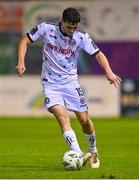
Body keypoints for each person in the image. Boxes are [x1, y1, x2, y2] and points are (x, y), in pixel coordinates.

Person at [16, 7, 122, 168]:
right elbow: (24, 41)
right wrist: (21, 62)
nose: (72, 30)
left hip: (71, 84)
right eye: (69, 27)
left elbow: (98, 54)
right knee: (62, 117)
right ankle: (79, 154)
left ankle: (93, 152)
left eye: (74, 27)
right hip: (50, 84)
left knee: (84, 121)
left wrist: (109, 72)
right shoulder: (46, 28)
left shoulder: (81, 36)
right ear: (62, 21)